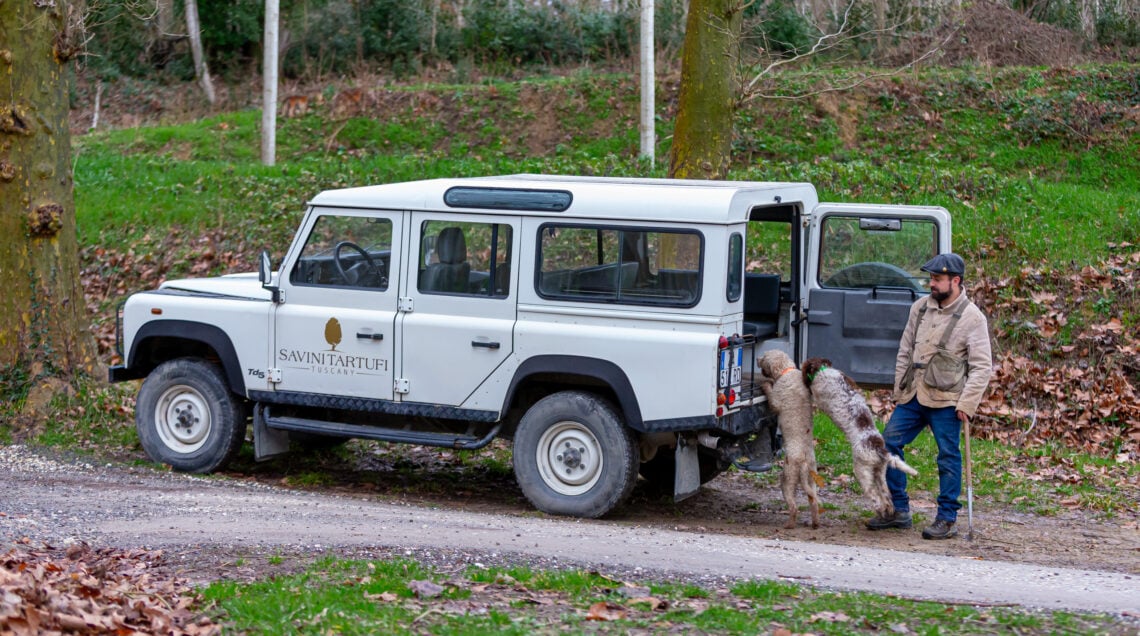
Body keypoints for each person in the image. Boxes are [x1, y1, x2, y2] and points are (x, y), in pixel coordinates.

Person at [866, 253, 993, 539]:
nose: (931, 283)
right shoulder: (919, 308)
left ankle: (947, 518)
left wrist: (967, 404)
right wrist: (900, 390)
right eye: (931, 278)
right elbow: (905, 350)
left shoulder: (973, 318)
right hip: (913, 394)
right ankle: (898, 510)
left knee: (948, 456)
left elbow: (982, 366)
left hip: (948, 400)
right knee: (888, 444)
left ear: (955, 281)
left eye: (937, 279)